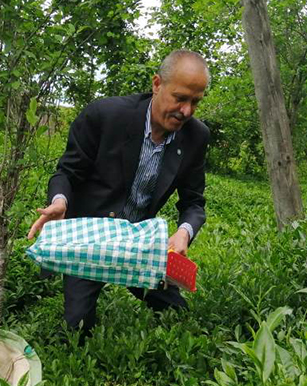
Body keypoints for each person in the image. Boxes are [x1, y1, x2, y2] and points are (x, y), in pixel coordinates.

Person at [27, 50, 210, 333]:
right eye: (180, 98)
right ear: (157, 84)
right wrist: (60, 201)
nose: (186, 110)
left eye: (195, 102)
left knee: (178, 315)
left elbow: (194, 203)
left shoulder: (196, 136)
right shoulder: (105, 115)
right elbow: (67, 172)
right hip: (91, 240)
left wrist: (184, 232)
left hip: (140, 241)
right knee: (77, 330)